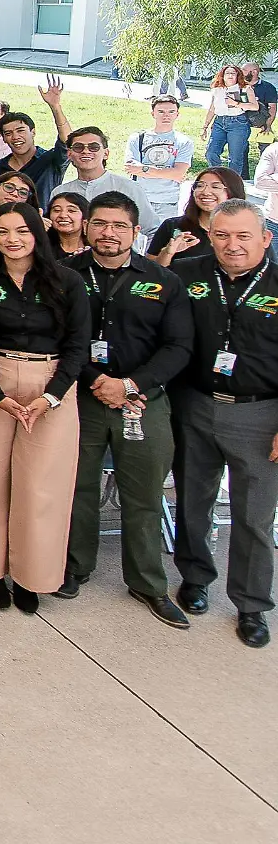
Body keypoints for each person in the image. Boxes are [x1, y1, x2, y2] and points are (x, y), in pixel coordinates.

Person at [0, 203, 91, 613]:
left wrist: (52, 396)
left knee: (41, 485)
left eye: (22, 231)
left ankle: (31, 574)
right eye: (4, 232)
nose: (13, 240)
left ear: (37, 235)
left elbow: (78, 345)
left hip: (52, 386)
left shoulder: (67, 281)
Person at [56, 193, 192, 627]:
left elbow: (179, 346)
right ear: (87, 227)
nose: (107, 233)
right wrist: (96, 380)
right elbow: (56, 337)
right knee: (77, 488)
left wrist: (131, 384)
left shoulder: (162, 280)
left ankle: (148, 583)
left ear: (135, 232)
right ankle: (74, 567)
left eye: (118, 225)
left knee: (144, 495)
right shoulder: (64, 275)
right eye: (99, 223)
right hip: (83, 395)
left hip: (141, 400)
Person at [171, 200, 278, 648]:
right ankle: (195, 577)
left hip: (259, 412)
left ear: (265, 238)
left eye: (243, 236)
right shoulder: (188, 274)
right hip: (195, 403)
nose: (232, 245)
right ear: (210, 235)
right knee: (194, 498)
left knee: (254, 515)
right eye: (222, 235)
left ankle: (251, 604)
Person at [51, 126, 161, 237]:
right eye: (78, 147)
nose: (85, 151)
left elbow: (151, 230)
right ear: (69, 154)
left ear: (106, 154)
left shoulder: (128, 188)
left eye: (93, 147)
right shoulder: (61, 192)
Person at [0, 78, 76, 205]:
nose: (15, 137)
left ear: (33, 132)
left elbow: (67, 141)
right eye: (8, 133)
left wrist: (55, 106)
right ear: (4, 139)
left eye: (21, 131)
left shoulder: (51, 161)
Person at [152, 166, 243, 268]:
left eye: (216, 187)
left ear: (233, 193)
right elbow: (150, 273)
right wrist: (167, 253)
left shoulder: (247, 231)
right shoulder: (172, 226)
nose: (205, 192)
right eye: (200, 186)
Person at [124, 94, 194, 222]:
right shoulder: (137, 138)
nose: (166, 115)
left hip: (168, 201)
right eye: (161, 111)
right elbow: (131, 168)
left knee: (164, 240)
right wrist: (168, 173)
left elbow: (179, 172)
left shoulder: (184, 142)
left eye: (171, 111)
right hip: (139, 199)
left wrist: (143, 169)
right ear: (153, 113)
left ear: (177, 114)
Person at [203, 65, 258, 177]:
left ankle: (232, 183)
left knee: (235, 158)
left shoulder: (243, 89)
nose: (230, 75)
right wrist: (205, 126)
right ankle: (218, 177)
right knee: (211, 152)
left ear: (238, 75)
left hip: (238, 123)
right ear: (222, 76)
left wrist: (236, 103)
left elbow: (254, 106)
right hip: (219, 122)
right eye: (227, 73)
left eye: (233, 73)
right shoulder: (217, 90)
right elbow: (212, 108)